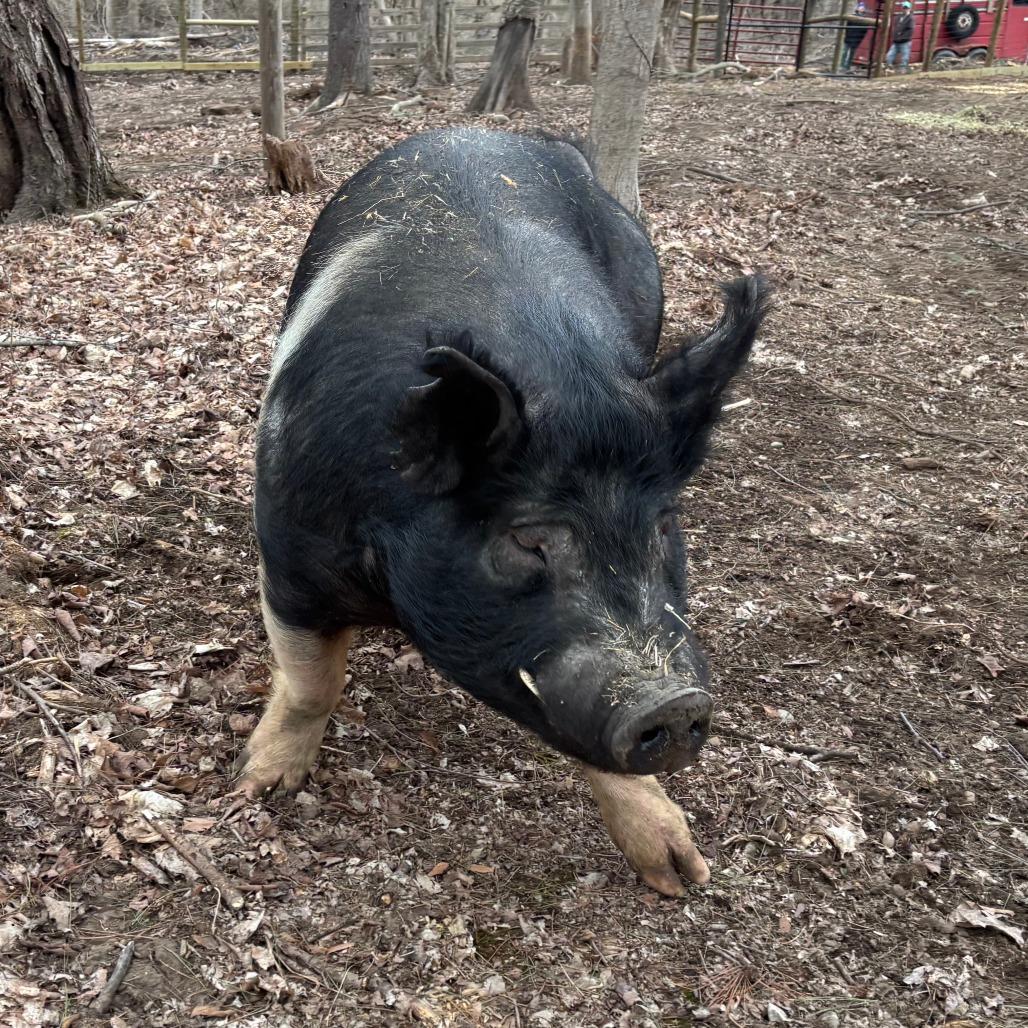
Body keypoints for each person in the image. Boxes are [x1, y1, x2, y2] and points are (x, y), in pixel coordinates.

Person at [885, 0, 915, 72]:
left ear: (909, 9)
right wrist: (895, 36)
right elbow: (895, 28)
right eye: (904, 7)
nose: (905, 9)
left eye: (906, 8)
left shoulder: (911, 18)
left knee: (904, 58)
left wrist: (901, 37)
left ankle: (903, 70)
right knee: (889, 55)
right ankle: (888, 68)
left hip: (905, 41)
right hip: (896, 41)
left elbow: (910, 30)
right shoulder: (898, 17)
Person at [841, 0, 870, 72]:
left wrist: (860, 39)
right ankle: (841, 66)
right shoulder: (852, 17)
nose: (861, 9)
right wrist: (847, 35)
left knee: (852, 54)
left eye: (863, 8)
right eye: (860, 7)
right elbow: (847, 28)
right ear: (857, 9)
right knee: (844, 52)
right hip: (848, 38)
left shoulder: (865, 20)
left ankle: (847, 67)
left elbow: (864, 31)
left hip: (856, 39)